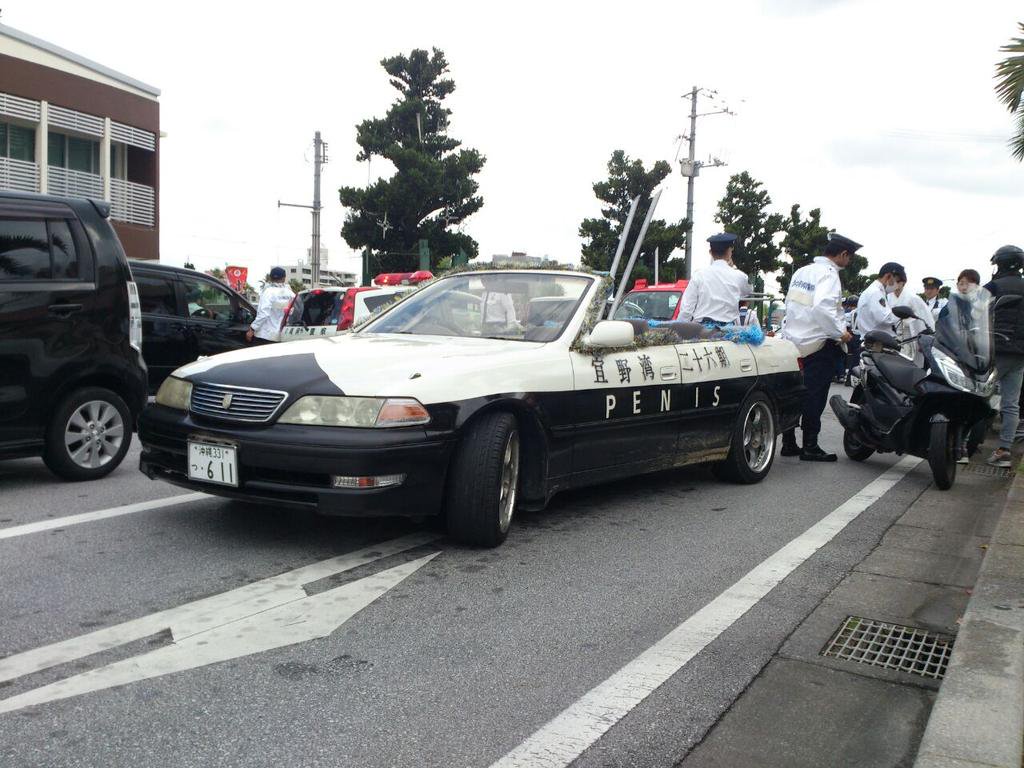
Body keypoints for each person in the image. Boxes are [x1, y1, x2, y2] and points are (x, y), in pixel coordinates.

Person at [779, 233, 859, 461]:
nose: (849, 262)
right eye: (849, 258)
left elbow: (791, 304)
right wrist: (841, 334)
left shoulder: (802, 271)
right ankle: (810, 446)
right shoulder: (829, 275)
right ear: (843, 254)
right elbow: (823, 308)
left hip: (794, 342)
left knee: (794, 394)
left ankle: (788, 442)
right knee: (815, 395)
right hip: (818, 344)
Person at [983, 245, 1024, 467]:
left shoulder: (993, 286)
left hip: (994, 350)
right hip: (1020, 355)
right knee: (1011, 403)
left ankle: (963, 445)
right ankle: (1004, 450)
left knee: (977, 395)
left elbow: (972, 312)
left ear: (1000, 264)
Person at [678, 233, 752, 325]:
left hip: (701, 331)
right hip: (729, 332)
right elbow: (748, 292)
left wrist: (679, 329)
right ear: (730, 251)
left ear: (710, 252)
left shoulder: (699, 275)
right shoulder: (740, 277)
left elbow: (686, 309)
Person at [892, 274, 935, 366]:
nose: (893, 284)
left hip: (911, 338)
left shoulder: (913, 298)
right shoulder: (888, 297)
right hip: (894, 339)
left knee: (912, 368)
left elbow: (926, 320)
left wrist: (924, 341)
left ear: (902, 283)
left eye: (897, 281)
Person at [855, 262, 904, 337]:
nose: (897, 286)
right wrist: (903, 315)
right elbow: (884, 318)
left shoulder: (876, 292)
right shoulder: (875, 293)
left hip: (875, 339)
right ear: (888, 276)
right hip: (877, 343)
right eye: (896, 281)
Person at [247, 267, 294, 344]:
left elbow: (263, 314)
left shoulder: (268, 292)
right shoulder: (291, 294)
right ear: (284, 278)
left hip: (265, 336)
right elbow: (294, 312)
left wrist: (252, 329)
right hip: (282, 336)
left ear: (271, 278)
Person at [842, 296, 861, 386]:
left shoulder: (851, 313)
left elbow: (844, 322)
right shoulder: (861, 311)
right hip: (859, 336)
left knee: (853, 358)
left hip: (852, 336)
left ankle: (849, 378)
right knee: (857, 360)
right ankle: (851, 379)